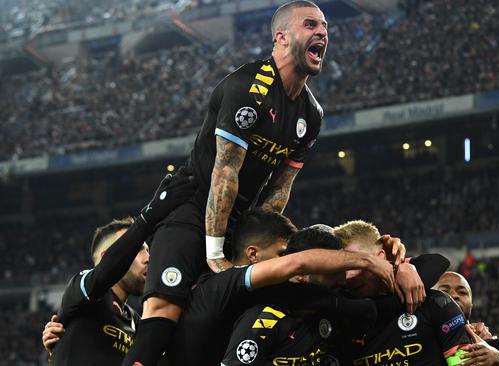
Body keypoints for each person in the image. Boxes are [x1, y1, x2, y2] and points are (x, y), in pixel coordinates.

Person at [125, 1, 331, 363]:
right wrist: (215, 253)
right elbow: (225, 173)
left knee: (216, 320)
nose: (323, 33)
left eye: (325, 27)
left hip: (236, 220)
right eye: (311, 24)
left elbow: (280, 187)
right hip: (190, 204)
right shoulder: (248, 87)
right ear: (281, 37)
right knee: (163, 308)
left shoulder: (311, 115)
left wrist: (256, 237)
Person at [162, 208, 396, 365]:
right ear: (252, 254)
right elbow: (298, 264)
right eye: (282, 255)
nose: (342, 279)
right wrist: (368, 260)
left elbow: (368, 308)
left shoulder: (303, 301)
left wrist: (405, 267)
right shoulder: (226, 291)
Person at [46, 172, 195, 366]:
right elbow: (102, 277)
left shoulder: (137, 320)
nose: (149, 258)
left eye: (148, 250)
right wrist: (148, 218)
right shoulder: (79, 291)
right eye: (138, 249)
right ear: (106, 256)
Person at [333, 220, 472, 366]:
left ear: (380, 258)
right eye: (342, 266)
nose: (348, 276)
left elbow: (463, 362)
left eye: (357, 262)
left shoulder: (437, 304)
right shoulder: (338, 319)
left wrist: (403, 266)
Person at [433, 272, 499, 366]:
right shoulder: (419, 340)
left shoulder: (494, 346)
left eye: (462, 292)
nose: (454, 295)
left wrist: (498, 357)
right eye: (444, 292)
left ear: (471, 305)